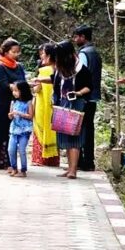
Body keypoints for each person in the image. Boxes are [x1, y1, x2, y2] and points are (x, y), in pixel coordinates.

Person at [53, 39, 92, 179]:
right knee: (66, 137)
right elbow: (55, 82)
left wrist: (78, 93)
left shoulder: (81, 69)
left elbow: (89, 87)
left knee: (74, 137)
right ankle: (70, 168)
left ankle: (73, 170)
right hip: (63, 103)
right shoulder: (62, 69)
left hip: (76, 105)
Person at [0, 38, 25, 172]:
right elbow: (3, 84)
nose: (16, 54)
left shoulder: (18, 66)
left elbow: (22, 82)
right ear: (6, 52)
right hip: (0, 103)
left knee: (11, 134)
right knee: (1, 135)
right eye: (14, 52)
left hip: (15, 104)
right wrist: (15, 88)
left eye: (18, 52)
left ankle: (10, 163)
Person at [72, 24, 102, 171]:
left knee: (81, 129)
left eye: (76, 37)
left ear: (83, 37)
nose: (75, 39)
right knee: (89, 129)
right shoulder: (95, 52)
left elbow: (80, 75)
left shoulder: (84, 54)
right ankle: (89, 161)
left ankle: (82, 160)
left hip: (84, 96)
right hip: (94, 97)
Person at [31, 43, 59, 167]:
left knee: (40, 128)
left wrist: (32, 84)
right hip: (54, 105)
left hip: (42, 105)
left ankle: (40, 159)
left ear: (49, 55)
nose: (41, 56)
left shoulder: (44, 71)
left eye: (43, 53)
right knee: (53, 130)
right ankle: (52, 159)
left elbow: (37, 89)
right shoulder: (58, 69)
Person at [8, 80, 34, 177]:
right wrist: (10, 115)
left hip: (25, 130)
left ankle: (23, 170)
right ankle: (14, 168)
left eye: (16, 90)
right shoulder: (13, 102)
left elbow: (31, 116)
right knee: (11, 149)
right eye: (13, 90)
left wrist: (19, 113)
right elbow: (10, 116)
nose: (14, 93)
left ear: (23, 91)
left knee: (22, 150)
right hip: (14, 130)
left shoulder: (28, 102)